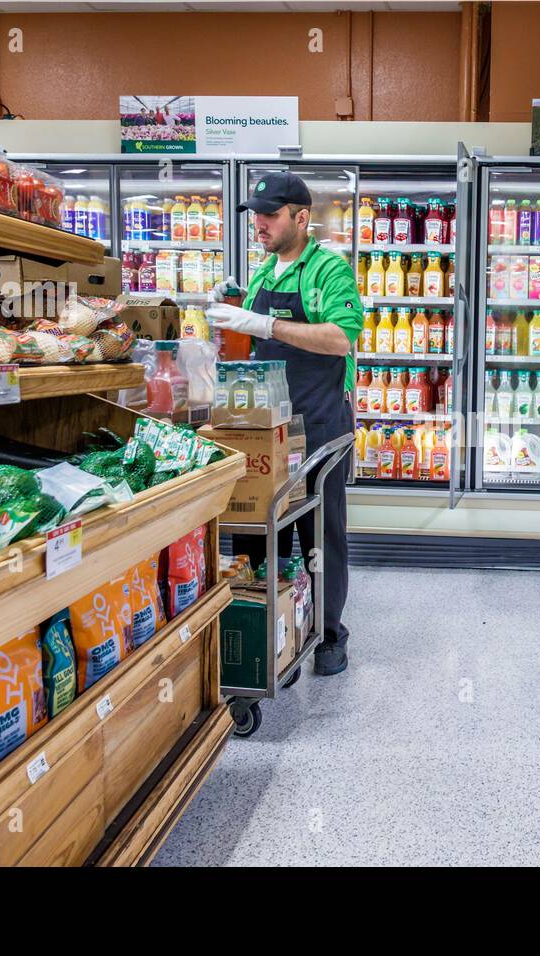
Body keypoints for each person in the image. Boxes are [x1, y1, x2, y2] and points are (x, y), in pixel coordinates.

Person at [206, 171, 362, 676]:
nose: (259, 225)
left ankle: (330, 635)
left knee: (321, 531)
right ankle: (277, 631)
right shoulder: (263, 275)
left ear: (301, 218)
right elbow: (252, 350)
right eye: (255, 215)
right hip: (266, 426)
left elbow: (340, 338)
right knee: (261, 530)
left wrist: (264, 324)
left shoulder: (329, 270)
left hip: (319, 423)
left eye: (269, 215)